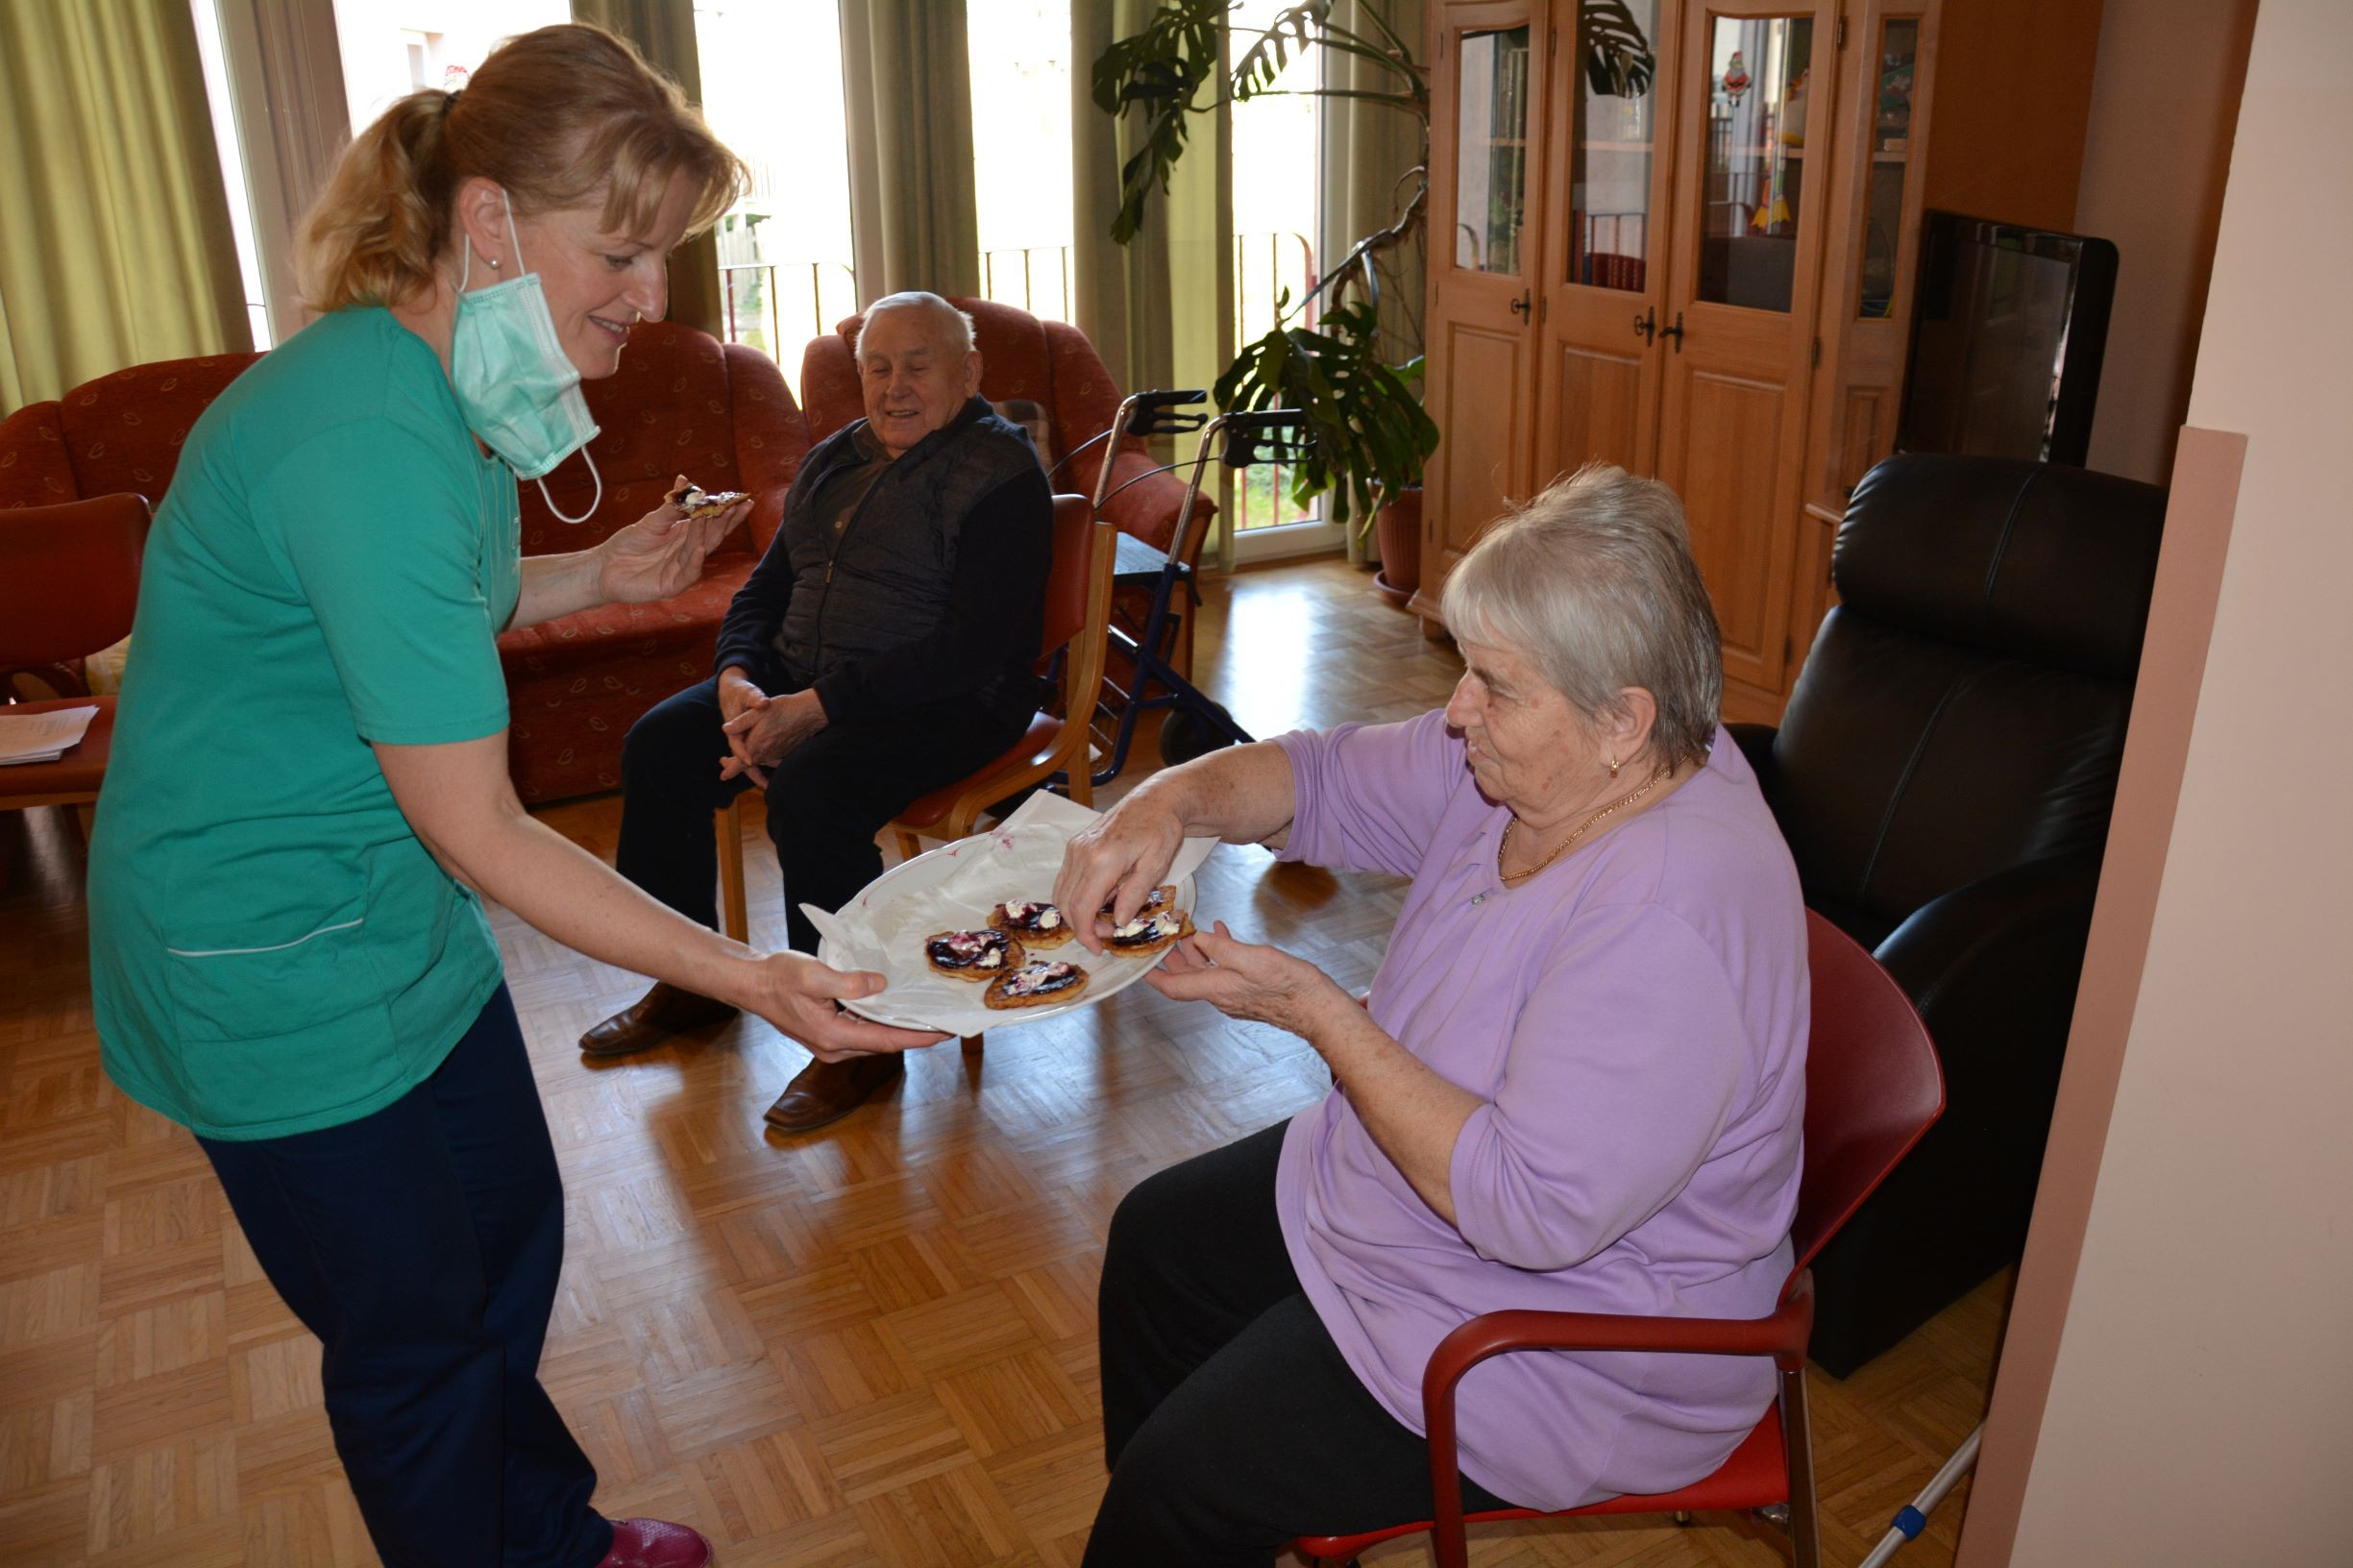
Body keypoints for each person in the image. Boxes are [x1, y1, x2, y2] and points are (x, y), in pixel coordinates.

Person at [86, 26, 941, 1568]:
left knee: (503, 1246)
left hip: (375, 911)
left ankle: (546, 1535)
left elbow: (407, 606)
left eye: (664, 254)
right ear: (487, 221)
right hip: (259, 953)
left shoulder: (444, 382)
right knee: (414, 1338)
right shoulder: (363, 433)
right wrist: (753, 977)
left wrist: (583, 576)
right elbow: (479, 826)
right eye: (617, 250)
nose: (649, 295)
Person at [1051, 464, 1811, 1566]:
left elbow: (1527, 1212)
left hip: (1565, 1343)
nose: (1456, 712)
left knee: (1177, 1491)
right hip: (1415, 1201)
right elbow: (1316, 779)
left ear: (1622, 721)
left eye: (1493, 686)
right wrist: (1165, 802)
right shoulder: (1536, 767)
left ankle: (1187, 1522)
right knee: (1158, 1245)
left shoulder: (1670, 915)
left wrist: (1318, 1013)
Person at [577, 291, 1053, 1134]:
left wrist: (818, 710)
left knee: (815, 791)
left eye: (918, 366)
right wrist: (737, 678)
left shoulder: (1001, 473)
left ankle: (856, 1039)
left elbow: (972, 650)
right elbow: (766, 587)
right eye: (877, 368)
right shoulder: (836, 456)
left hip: (951, 700)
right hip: (801, 678)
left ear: (969, 371)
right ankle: (691, 983)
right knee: (660, 746)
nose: (893, 387)